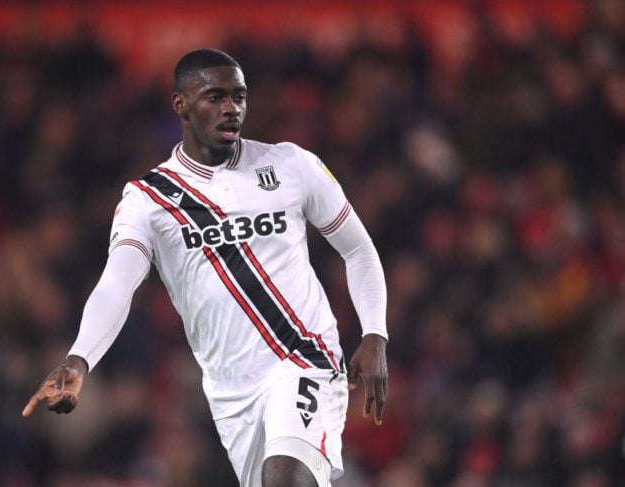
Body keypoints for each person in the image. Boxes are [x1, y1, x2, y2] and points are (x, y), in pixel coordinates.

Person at [23, 48, 389, 487]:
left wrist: (374, 333)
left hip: (305, 359)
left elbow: (359, 249)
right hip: (231, 392)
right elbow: (117, 282)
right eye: (215, 96)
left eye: (239, 96)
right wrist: (79, 360)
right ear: (181, 104)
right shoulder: (149, 199)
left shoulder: (292, 164)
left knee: (287, 481)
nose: (231, 107)